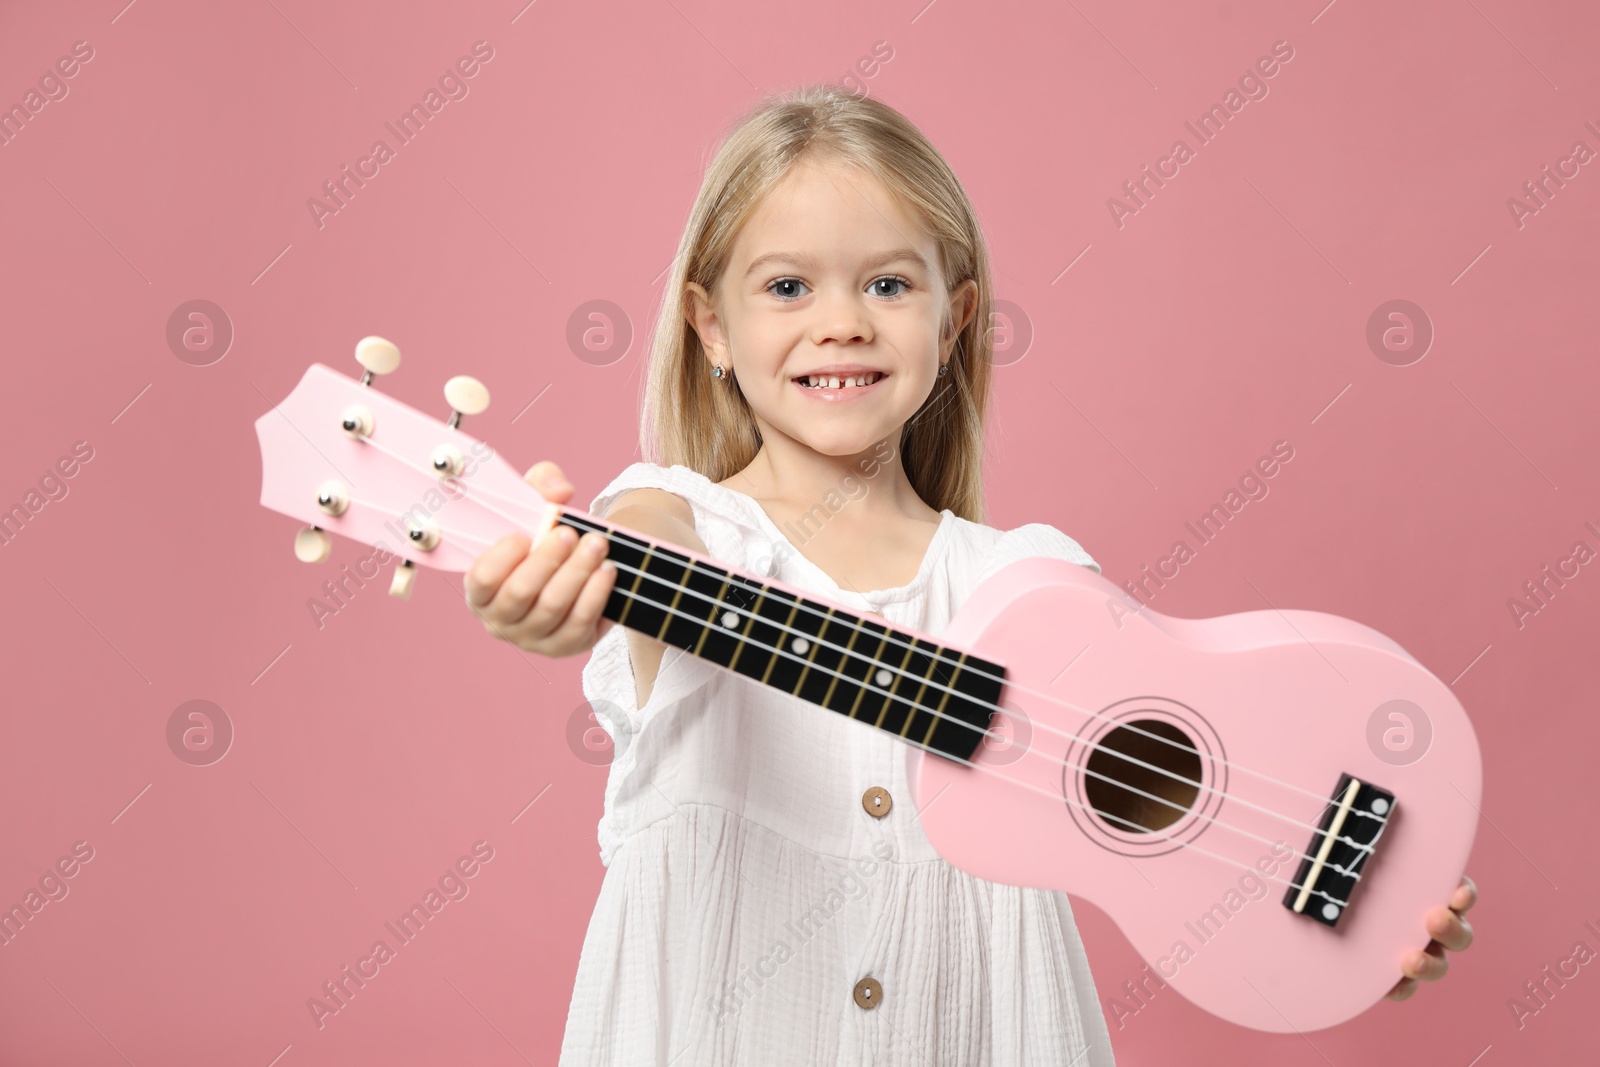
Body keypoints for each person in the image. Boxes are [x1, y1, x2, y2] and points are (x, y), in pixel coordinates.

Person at [464, 84, 1475, 1066]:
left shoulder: (1028, 580)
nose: (842, 322)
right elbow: (651, 559)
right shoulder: (672, 521)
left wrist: (1336, 924)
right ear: (710, 325)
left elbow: (1201, 789)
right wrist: (572, 586)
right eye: (786, 285)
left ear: (955, 320)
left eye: (889, 284)